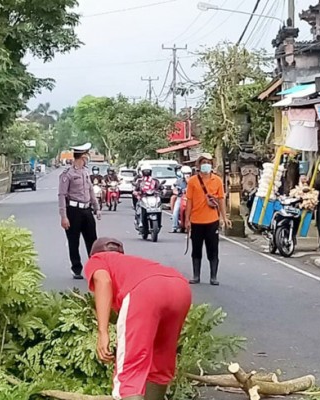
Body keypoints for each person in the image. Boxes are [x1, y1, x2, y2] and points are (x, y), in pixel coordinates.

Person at [85, 237, 191, 400]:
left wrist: (103, 332)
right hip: (180, 288)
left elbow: (103, 280)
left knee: (131, 367)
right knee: (161, 361)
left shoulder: (98, 259)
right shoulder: (133, 262)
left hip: (145, 291)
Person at [185, 153, 231, 286]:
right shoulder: (193, 181)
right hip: (196, 221)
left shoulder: (217, 180)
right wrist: (187, 220)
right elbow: (189, 201)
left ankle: (213, 276)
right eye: (204, 162)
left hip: (212, 221)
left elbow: (221, 200)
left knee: (213, 249)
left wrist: (224, 217)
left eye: (209, 162)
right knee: (196, 249)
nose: (206, 164)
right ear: (199, 165)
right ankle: (196, 275)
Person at [58, 143, 102, 279]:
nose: (87, 159)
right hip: (73, 210)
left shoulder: (86, 172)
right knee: (74, 241)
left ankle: (94, 268)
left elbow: (90, 191)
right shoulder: (67, 174)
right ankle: (76, 268)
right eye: (86, 156)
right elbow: (62, 195)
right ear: (82, 157)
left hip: (86, 210)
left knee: (92, 241)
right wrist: (63, 216)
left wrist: (96, 208)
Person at [133, 164, 160, 228]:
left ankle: (159, 222)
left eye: (148, 171)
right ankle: (139, 222)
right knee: (139, 208)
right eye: (145, 171)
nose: (147, 172)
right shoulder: (139, 181)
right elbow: (135, 190)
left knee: (159, 206)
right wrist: (136, 193)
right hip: (143, 197)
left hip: (153, 197)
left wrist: (162, 190)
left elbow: (159, 187)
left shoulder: (155, 180)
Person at [170, 166, 192, 233]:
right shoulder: (178, 181)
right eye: (185, 173)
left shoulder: (193, 180)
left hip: (190, 199)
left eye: (188, 173)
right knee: (176, 211)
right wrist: (177, 192)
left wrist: (188, 182)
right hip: (181, 198)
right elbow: (174, 189)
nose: (187, 175)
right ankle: (174, 227)